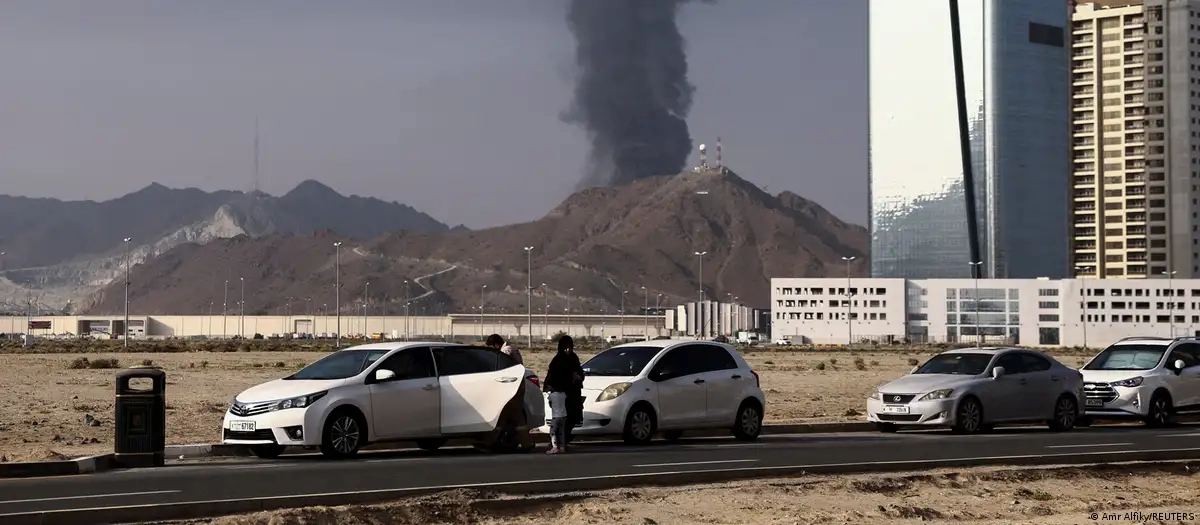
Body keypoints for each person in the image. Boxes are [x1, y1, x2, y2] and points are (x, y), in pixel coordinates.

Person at [545, 335, 584, 450]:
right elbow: (552, 379)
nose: (568, 350)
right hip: (561, 394)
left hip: (573, 394)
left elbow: (580, 372)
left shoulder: (574, 358)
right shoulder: (557, 361)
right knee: (559, 420)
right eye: (565, 348)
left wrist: (578, 377)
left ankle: (562, 442)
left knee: (571, 419)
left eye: (570, 348)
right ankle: (555, 443)